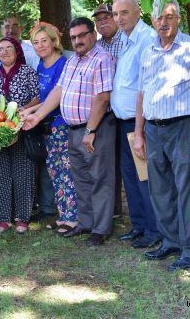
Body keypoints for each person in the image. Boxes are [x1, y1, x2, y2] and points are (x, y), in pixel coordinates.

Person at [133, 0, 190, 271]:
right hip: (153, 129)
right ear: (152, 20)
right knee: (160, 189)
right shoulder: (148, 52)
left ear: (178, 19)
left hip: (185, 127)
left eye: (170, 16)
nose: (164, 22)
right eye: (159, 17)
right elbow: (142, 93)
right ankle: (170, 241)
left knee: (188, 189)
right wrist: (138, 132)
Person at [23, 17, 116, 246]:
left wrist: (91, 130)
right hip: (73, 129)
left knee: (99, 179)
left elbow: (103, 98)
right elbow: (58, 91)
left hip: (94, 128)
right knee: (81, 179)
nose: (78, 41)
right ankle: (85, 223)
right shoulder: (73, 60)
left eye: (82, 35)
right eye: (73, 37)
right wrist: (37, 115)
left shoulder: (102, 59)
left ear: (92, 35)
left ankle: (101, 229)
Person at [110, 0, 161, 248]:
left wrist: (139, 130)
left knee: (145, 178)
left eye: (124, 13)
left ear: (138, 12)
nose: (119, 18)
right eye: (115, 14)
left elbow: (145, 88)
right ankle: (139, 226)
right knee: (130, 177)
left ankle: (154, 230)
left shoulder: (148, 39)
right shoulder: (124, 39)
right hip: (122, 123)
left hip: (137, 123)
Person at [21, 22, 77, 235]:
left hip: (60, 125)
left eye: (44, 40)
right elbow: (44, 97)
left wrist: (34, 113)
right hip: (45, 125)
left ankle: (73, 218)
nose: (40, 45)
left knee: (66, 171)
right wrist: (29, 110)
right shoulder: (41, 66)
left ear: (54, 42)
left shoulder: (63, 64)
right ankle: (63, 215)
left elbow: (58, 96)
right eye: (36, 42)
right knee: (55, 171)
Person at [0, 37, 39, 233]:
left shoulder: (27, 72)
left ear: (18, 52)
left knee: (23, 173)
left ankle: (22, 217)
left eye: (9, 48)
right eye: (1, 49)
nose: (4, 52)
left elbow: (38, 96)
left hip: (22, 128)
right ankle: (3, 218)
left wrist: (26, 108)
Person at [1, 15, 54, 222]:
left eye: (15, 26)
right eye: (7, 25)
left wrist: (25, 109)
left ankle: (34, 209)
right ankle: (6, 214)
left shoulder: (30, 67)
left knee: (33, 168)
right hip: (3, 129)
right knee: (3, 172)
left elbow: (39, 95)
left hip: (32, 123)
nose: (11, 29)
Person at [93, 3, 124, 220]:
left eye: (107, 17)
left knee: (130, 163)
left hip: (129, 111)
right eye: (98, 19)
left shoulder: (127, 41)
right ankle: (113, 210)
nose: (103, 21)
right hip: (106, 113)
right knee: (107, 163)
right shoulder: (95, 47)